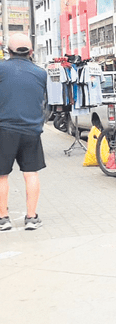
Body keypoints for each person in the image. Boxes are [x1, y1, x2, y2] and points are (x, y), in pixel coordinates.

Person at [0, 33, 47, 231]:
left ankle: (3, 219)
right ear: (31, 51)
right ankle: (31, 217)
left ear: (8, 51)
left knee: (1, 175)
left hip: (4, 130)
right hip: (32, 130)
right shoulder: (41, 72)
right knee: (31, 174)